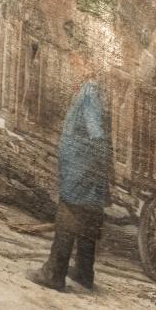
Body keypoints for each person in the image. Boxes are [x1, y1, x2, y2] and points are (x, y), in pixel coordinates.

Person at [29, 33, 112, 292]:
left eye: (77, 61)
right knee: (88, 219)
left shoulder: (89, 93)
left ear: (88, 64)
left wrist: (86, 166)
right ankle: (84, 273)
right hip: (88, 171)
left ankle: (54, 274)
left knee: (67, 217)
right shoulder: (92, 91)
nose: (73, 66)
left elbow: (96, 132)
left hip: (81, 170)